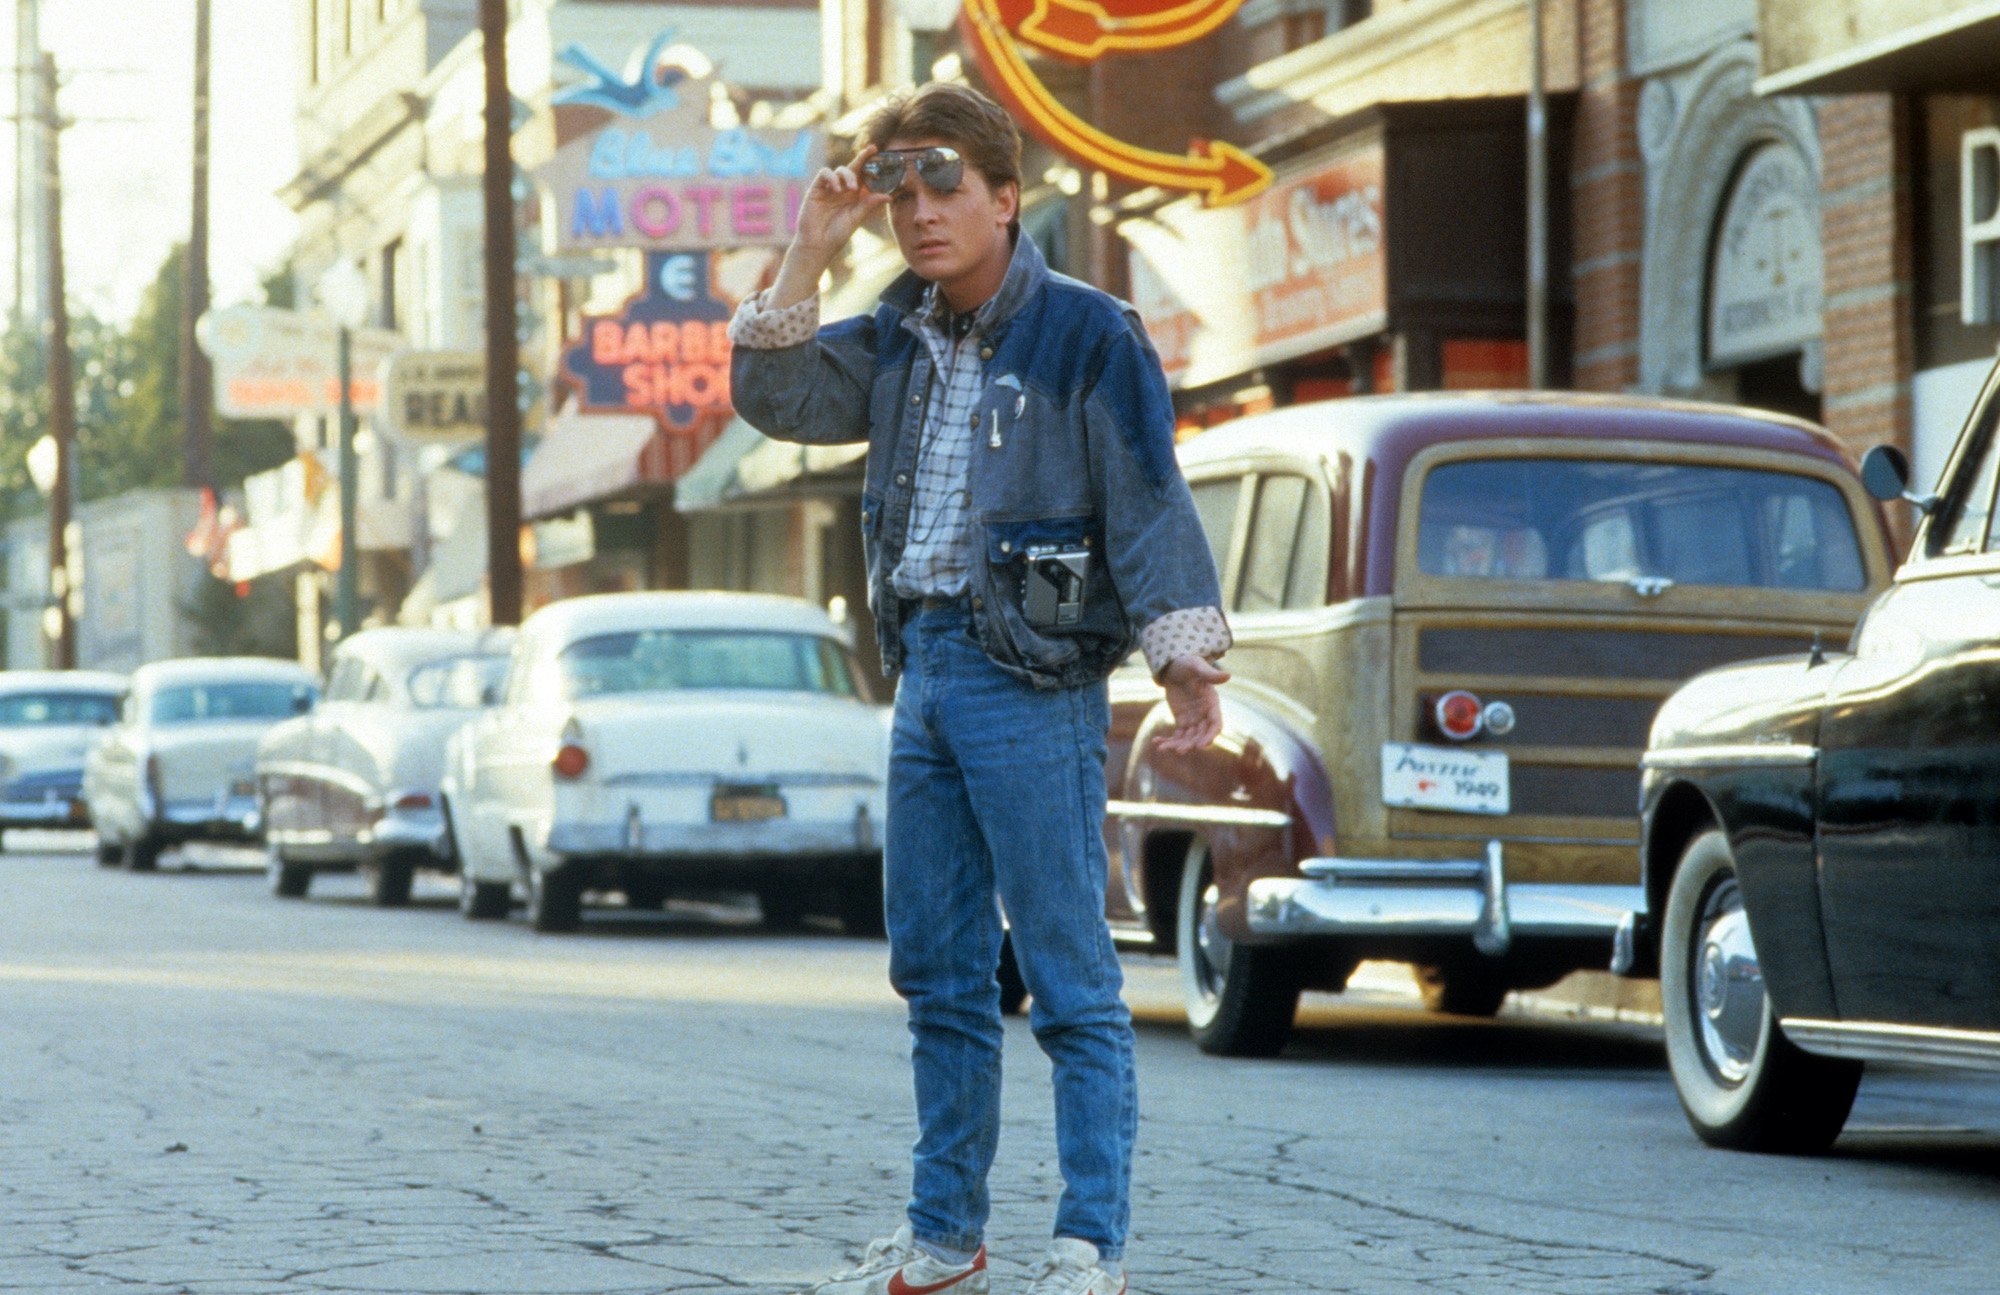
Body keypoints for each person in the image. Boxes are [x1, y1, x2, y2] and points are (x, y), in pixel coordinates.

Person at [728, 82, 1232, 1295]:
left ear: (1006, 198)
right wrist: (811, 245)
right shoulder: (896, 333)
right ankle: (944, 1240)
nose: (919, 210)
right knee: (937, 975)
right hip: (926, 674)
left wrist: (1180, 656)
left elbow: (1146, 493)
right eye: (898, 187)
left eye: (944, 181)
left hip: (1033, 682)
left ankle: (1087, 1246)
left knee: (1067, 977)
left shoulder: (1088, 332)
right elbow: (773, 396)